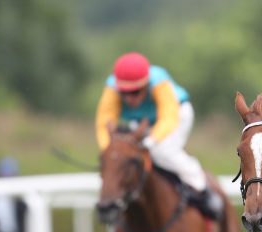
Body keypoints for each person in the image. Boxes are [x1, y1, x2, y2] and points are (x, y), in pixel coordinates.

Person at [95, 52, 223, 220]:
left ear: (146, 84)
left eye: (135, 92)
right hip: (142, 122)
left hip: (178, 114)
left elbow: (169, 117)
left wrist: (150, 141)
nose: (129, 98)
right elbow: (103, 122)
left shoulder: (159, 81)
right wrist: (111, 152)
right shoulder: (111, 87)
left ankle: (201, 188)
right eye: (124, 93)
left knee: (162, 151)